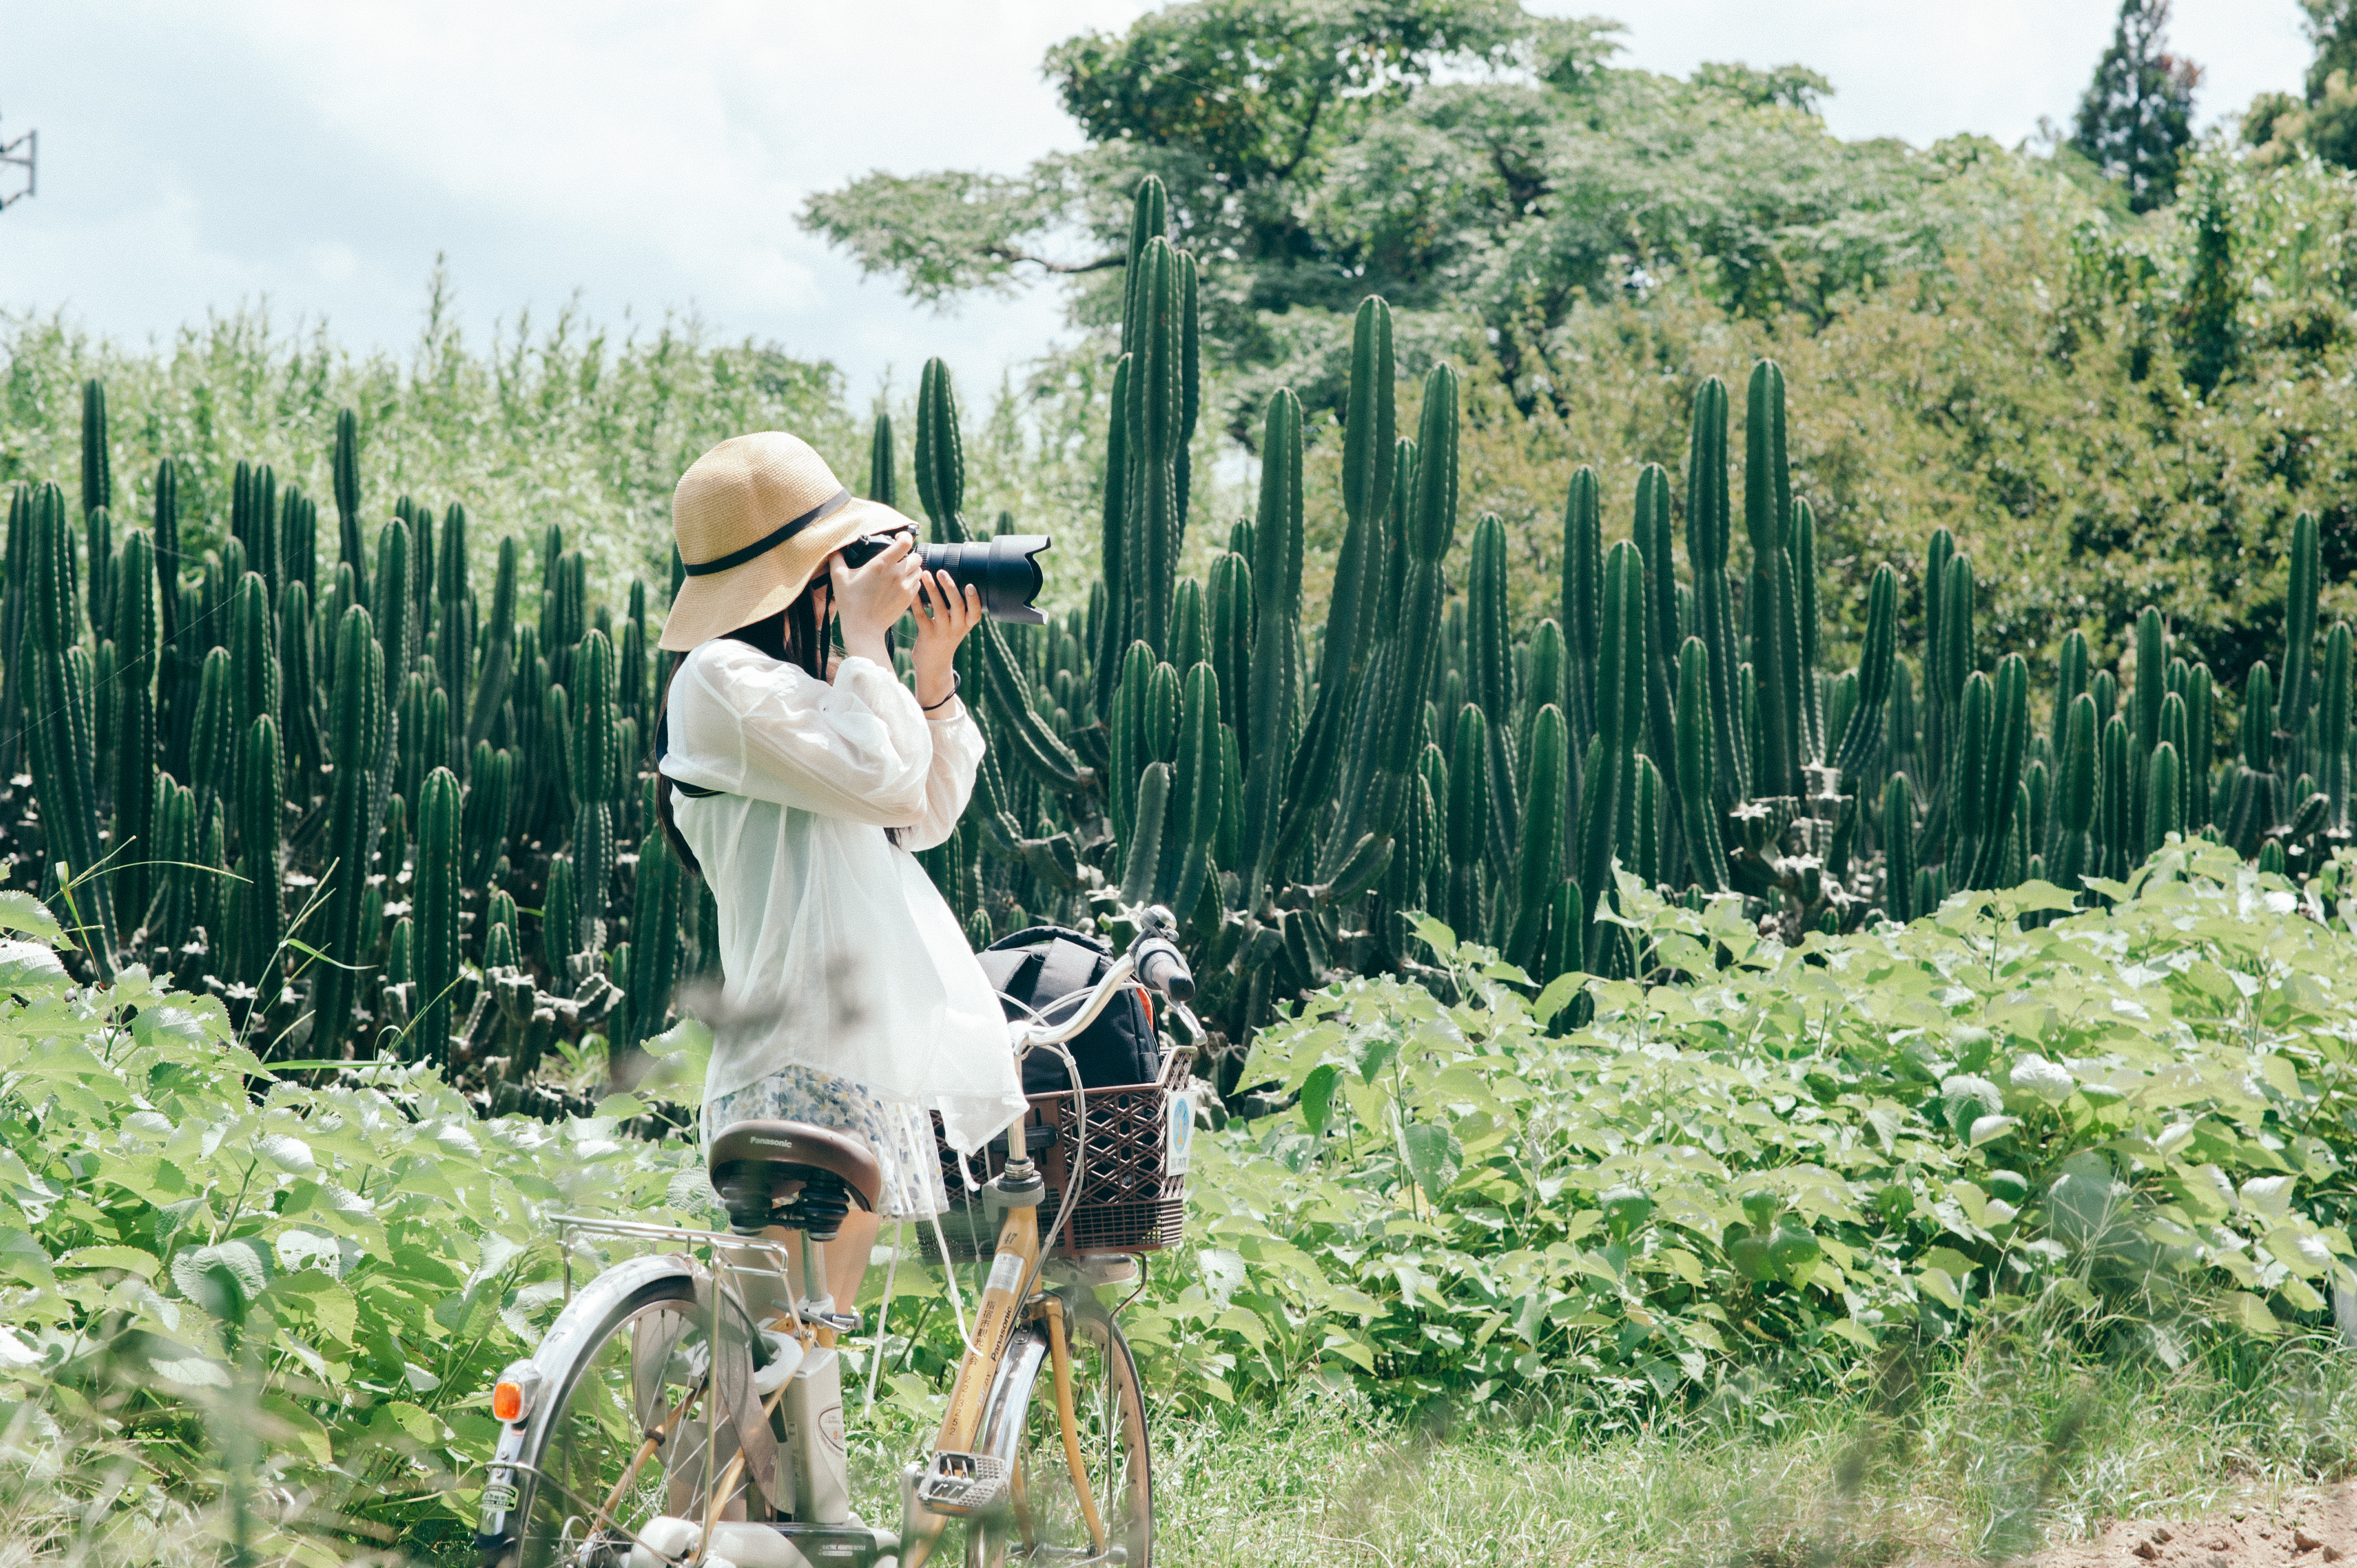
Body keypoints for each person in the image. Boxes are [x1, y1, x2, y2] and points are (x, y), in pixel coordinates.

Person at [652, 431, 1026, 1319]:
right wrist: (866, 640)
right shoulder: (722, 680)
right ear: (795, 575)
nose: (857, 576)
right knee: (761, 1353)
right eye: (837, 559)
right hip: (795, 1059)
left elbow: (920, 816)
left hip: (863, 1062)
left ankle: (771, 1459)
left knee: (805, 1355)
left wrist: (929, 676)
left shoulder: (815, 684)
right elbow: (887, 777)